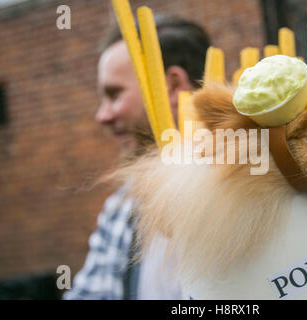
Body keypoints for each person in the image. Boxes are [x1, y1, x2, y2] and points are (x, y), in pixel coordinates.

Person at [63, 15, 210, 300]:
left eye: (114, 94)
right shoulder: (122, 207)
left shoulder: (252, 187)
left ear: (173, 85)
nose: (102, 116)